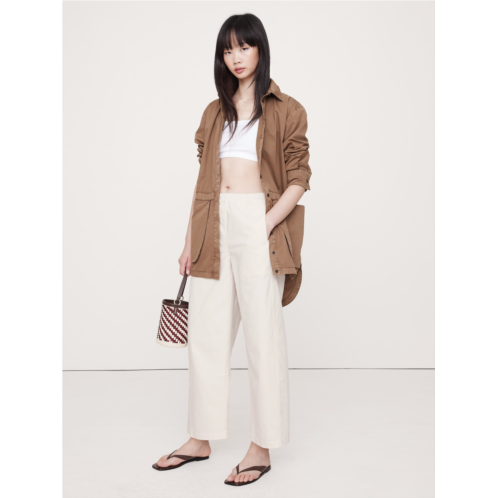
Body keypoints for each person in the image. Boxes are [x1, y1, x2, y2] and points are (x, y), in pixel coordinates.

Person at [153, 13, 312, 486]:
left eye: (244, 47)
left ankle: (261, 447)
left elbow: (299, 177)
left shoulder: (287, 109)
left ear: (260, 49)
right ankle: (199, 438)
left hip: (260, 224)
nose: (236, 57)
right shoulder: (214, 111)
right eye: (227, 50)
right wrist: (190, 240)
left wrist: (265, 222)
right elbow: (204, 182)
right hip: (213, 223)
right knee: (206, 335)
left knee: (263, 337)